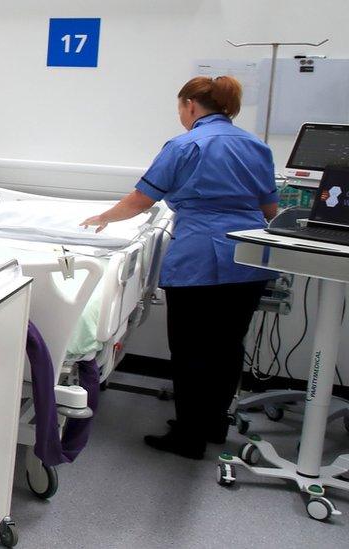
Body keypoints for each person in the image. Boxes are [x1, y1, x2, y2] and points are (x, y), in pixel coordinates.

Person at [81, 76, 278, 460]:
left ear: (190, 105)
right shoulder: (257, 146)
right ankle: (215, 424)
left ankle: (189, 438)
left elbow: (141, 199)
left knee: (191, 349)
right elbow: (270, 210)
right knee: (227, 345)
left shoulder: (185, 145)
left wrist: (103, 216)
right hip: (250, 258)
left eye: (180, 108)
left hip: (201, 256)